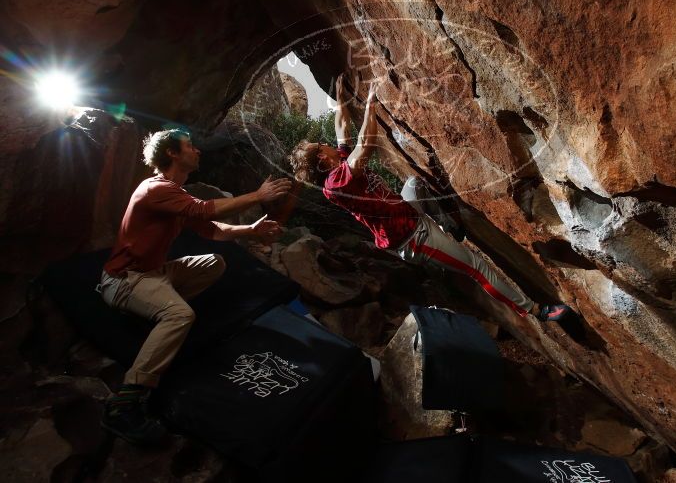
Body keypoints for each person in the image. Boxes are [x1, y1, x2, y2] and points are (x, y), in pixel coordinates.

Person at [289, 75, 571, 322]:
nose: (328, 145)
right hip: (413, 238)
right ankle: (535, 311)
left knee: (414, 183)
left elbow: (341, 128)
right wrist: (371, 105)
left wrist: (340, 99)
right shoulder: (335, 183)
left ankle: (450, 226)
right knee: (477, 267)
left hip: (410, 213)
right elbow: (364, 146)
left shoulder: (336, 165)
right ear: (323, 160)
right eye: (321, 147)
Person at [99, 128, 291, 445]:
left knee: (213, 262)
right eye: (190, 146)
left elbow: (213, 229)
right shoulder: (154, 188)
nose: (197, 151)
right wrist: (257, 196)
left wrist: (252, 229)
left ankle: (154, 312)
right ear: (172, 152)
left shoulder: (177, 194)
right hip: (124, 280)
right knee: (180, 316)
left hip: (154, 273)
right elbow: (203, 210)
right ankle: (123, 404)